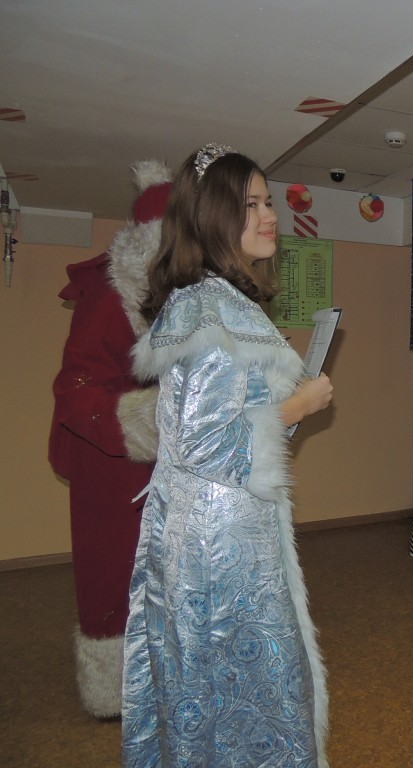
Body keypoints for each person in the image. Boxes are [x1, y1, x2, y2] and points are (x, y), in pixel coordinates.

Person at [122, 144, 334, 768]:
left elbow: (223, 434)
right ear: (216, 216)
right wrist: (297, 406)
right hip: (221, 549)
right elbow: (205, 444)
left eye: (269, 203)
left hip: (212, 531)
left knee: (221, 690)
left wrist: (286, 408)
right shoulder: (210, 309)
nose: (270, 216)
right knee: (246, 688)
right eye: (252, 205)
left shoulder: (212, 302)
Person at [48, 160, 171, 718]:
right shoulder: (106, 297)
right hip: (107, 456)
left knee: (165, 567)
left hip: (164, 459)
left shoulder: (175, 293)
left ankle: (167, 672)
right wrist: (158, 415)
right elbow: (77, 393)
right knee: (113, 567)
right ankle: (113, 690)